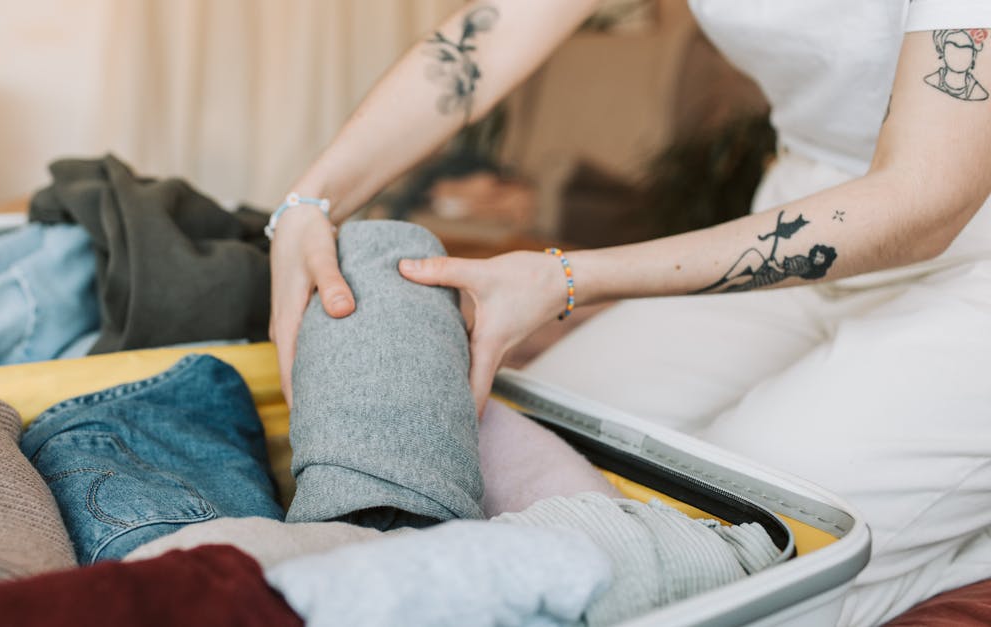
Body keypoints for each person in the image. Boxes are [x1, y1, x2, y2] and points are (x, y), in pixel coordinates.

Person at [266, 2, 991, 625]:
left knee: (747, 554)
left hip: (966, 259)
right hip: (801, 212)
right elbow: (491, 35)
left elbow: (924, 200)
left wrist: (573, 278)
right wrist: (307, 203)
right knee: (539, 433)